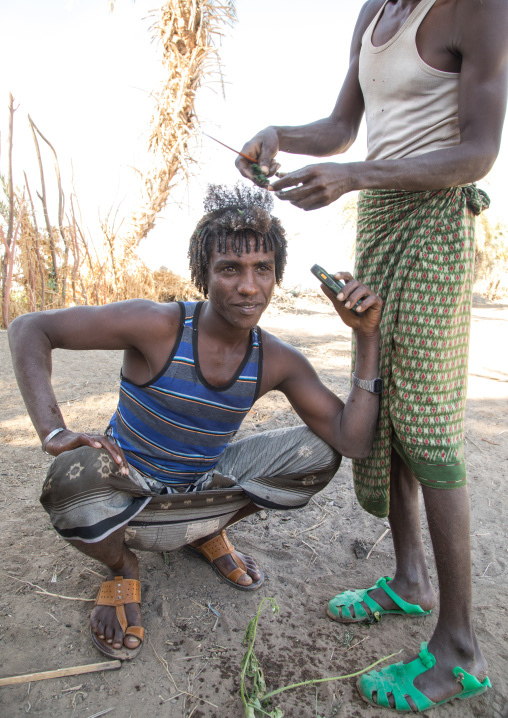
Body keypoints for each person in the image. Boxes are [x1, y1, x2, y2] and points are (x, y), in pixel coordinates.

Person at [236, 0, 508, 711]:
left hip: (434, 227)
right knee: (383, 406)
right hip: (382, 220)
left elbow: (479, 152)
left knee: (425, 426)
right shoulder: (375, 11)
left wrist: (357, 175)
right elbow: (341, 128)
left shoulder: (477, 9)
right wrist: (281, 135)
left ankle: (459, 649)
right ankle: (410, 580)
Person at [8, 183, 383, 662]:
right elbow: (29, 328)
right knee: (70, 475)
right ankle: (122, 568)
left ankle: (206, 530)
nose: (248, 286)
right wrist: (54, 431)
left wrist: (367, 337)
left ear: (277, 275)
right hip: (129, 488)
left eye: (262, 269)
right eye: (229, 269)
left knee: (320, 451)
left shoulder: (276, 359)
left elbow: (352, 440)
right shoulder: (157, 325)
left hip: (199, 486)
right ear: (203, 275)